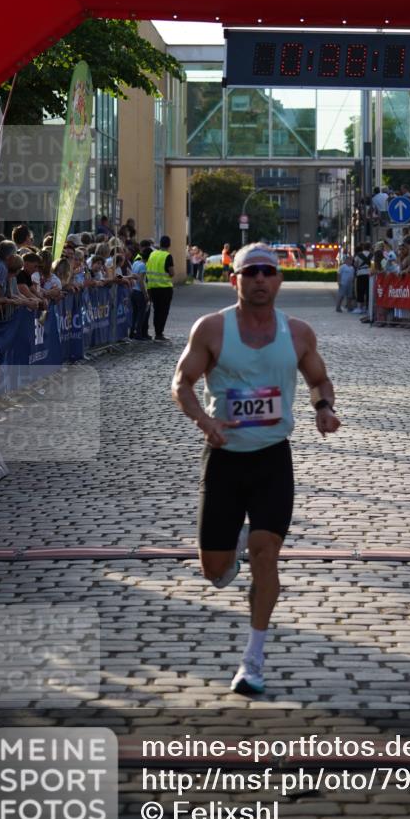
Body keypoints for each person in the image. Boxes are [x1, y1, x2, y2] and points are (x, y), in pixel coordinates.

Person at [171, 242, 341, 696]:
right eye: (251, 273)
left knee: (268, 556)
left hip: (271, 458)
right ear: (236, 279)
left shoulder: (299, 333)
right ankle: (235, 542)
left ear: (279, 280)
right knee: (214, 571)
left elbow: (319, 379)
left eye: (268, 272)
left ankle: (253, 660)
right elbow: (181, 382)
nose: (260, 279)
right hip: (224, 459)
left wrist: (323, 408)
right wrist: (204, 420)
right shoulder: (211, 329)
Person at [146, 235, 174, 341]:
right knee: (163, 311)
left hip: (153, 287)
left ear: (160, 243)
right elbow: (171, 272)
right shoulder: (167, 256)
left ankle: (156, 331)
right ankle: (159, 333)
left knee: (156, 310)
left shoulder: (152, 254)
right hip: (165, 288)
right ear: (169, 244)